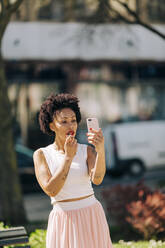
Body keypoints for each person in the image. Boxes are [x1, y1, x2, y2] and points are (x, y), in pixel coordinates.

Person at [33, 93, 113, 248]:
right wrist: (68, 158)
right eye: (63, 122)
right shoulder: (42, 154)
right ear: (51, 126)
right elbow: (51, 190)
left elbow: (97, 179)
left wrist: (101, 150)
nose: (71, 126)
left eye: (73, 121)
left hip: (91, 214)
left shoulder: (87, 151)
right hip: (64, 219)